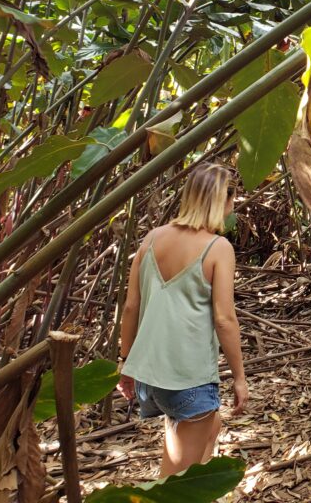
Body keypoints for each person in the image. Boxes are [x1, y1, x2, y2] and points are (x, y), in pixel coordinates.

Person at [117, 163, 248, 477]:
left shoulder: (151, 239)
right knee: (173, 485)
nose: (233, 208)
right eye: (232, 200)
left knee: (211, 424)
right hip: (186, 379)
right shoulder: (218, 248)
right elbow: (225, 319)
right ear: (222, 201)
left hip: (152, 378)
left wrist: (125, 362)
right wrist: (240, 378)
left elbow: (130, 308)